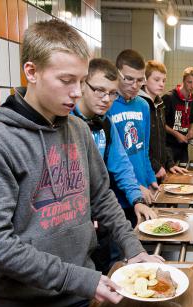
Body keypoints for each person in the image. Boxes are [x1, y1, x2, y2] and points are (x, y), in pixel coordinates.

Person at [0, 20, 163, 307]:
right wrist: (83, 279)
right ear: (32, 71)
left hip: (78, 293)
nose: (76, 92)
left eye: (80, 81)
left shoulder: (78, 130)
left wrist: (134, 250)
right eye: (65, 80)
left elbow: (102, 198)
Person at [73, 58, 157, 273]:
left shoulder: (104, 124)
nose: (106, 99)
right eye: (99, 90)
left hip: (100, 216)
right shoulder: (69, 123)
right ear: (83, 84)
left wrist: (136, 199)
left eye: (112, 93)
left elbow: (121, 165)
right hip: (76, 222)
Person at [108, 49, 158, 225]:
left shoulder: (143, 105)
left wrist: (151, 178)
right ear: (117, 73)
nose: (135, 85)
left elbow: (143, 149)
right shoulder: (106, 105)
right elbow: (110, 160)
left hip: (142, 190)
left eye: (140, 80)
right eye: (129, 79)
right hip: (117, 194)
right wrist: (135, 185)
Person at [139, 60, 189, 181]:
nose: (161, 84)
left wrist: (170, 163)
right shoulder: (139, 105)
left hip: (159, 171)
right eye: (156, 80)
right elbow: (140, 146)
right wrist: (156, 167)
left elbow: (162, 140)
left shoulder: (160, 105)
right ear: (145, 80)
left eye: (163, 80)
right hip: (146, 172)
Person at [163, 66, 193, 163]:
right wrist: (176, 134)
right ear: (183, 81)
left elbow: (192, 120)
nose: (192, 86)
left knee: (184, 173)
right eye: (189, 82)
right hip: (168, 146)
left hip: (183, 146)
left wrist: (191, 130)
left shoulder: (192, 101)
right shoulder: (169, 98)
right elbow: (160, 123)